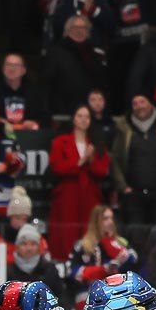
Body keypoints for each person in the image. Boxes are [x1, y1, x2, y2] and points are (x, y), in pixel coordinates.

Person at [110, 93, 156, 233]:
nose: (139, 106)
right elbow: (114, 159)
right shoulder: (123, 128)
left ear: (150, 103)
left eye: (142, 102)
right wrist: (123, 187)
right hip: (132, 196)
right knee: (134, 235)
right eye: (135, 103)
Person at [48, 105, 111, 260]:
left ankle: (90, 262)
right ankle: (65, 261)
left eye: (87, 117)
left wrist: (91, 159)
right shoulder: (60, 142)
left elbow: (102, 171)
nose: (84, 120)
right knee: (66, 232)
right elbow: (57, 167)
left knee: (90, 229)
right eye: (80, 116)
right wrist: (80, 162)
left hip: (90, 194)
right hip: (68, 194)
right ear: (73, 119)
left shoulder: (96, 144)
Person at [69, 206, 138, 310]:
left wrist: (108, 241)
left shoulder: (120, 242)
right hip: (88, 293)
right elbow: (73, 272)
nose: (110, 222)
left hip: (118, 291)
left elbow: (133, 259)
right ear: (96, 222)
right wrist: (103, 270)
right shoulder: (83, 245)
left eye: (111, 218)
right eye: (105, 219)